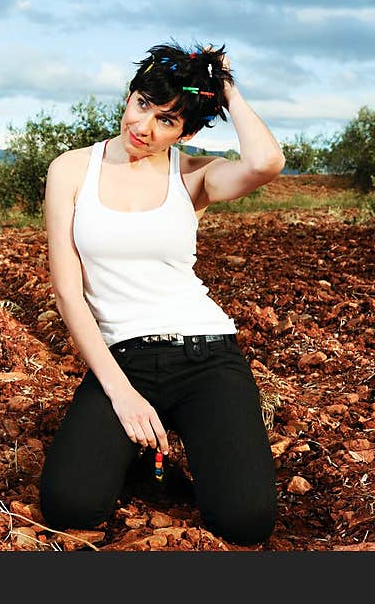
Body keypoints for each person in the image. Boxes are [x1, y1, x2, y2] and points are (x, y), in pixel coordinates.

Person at [38, 41, 285, 546]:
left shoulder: (192, 175)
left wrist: (226, 87)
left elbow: (266, 162)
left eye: (167, 120)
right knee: (70, 505)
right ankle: (142, 455)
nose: (143, 126)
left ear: (187, 131)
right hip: (124, 357)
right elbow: (67, 291)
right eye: (142, 103)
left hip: (206, 355)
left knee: (245, 521)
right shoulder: (71, 169)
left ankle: (189, 441)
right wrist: (121, 394)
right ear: (130, 96)